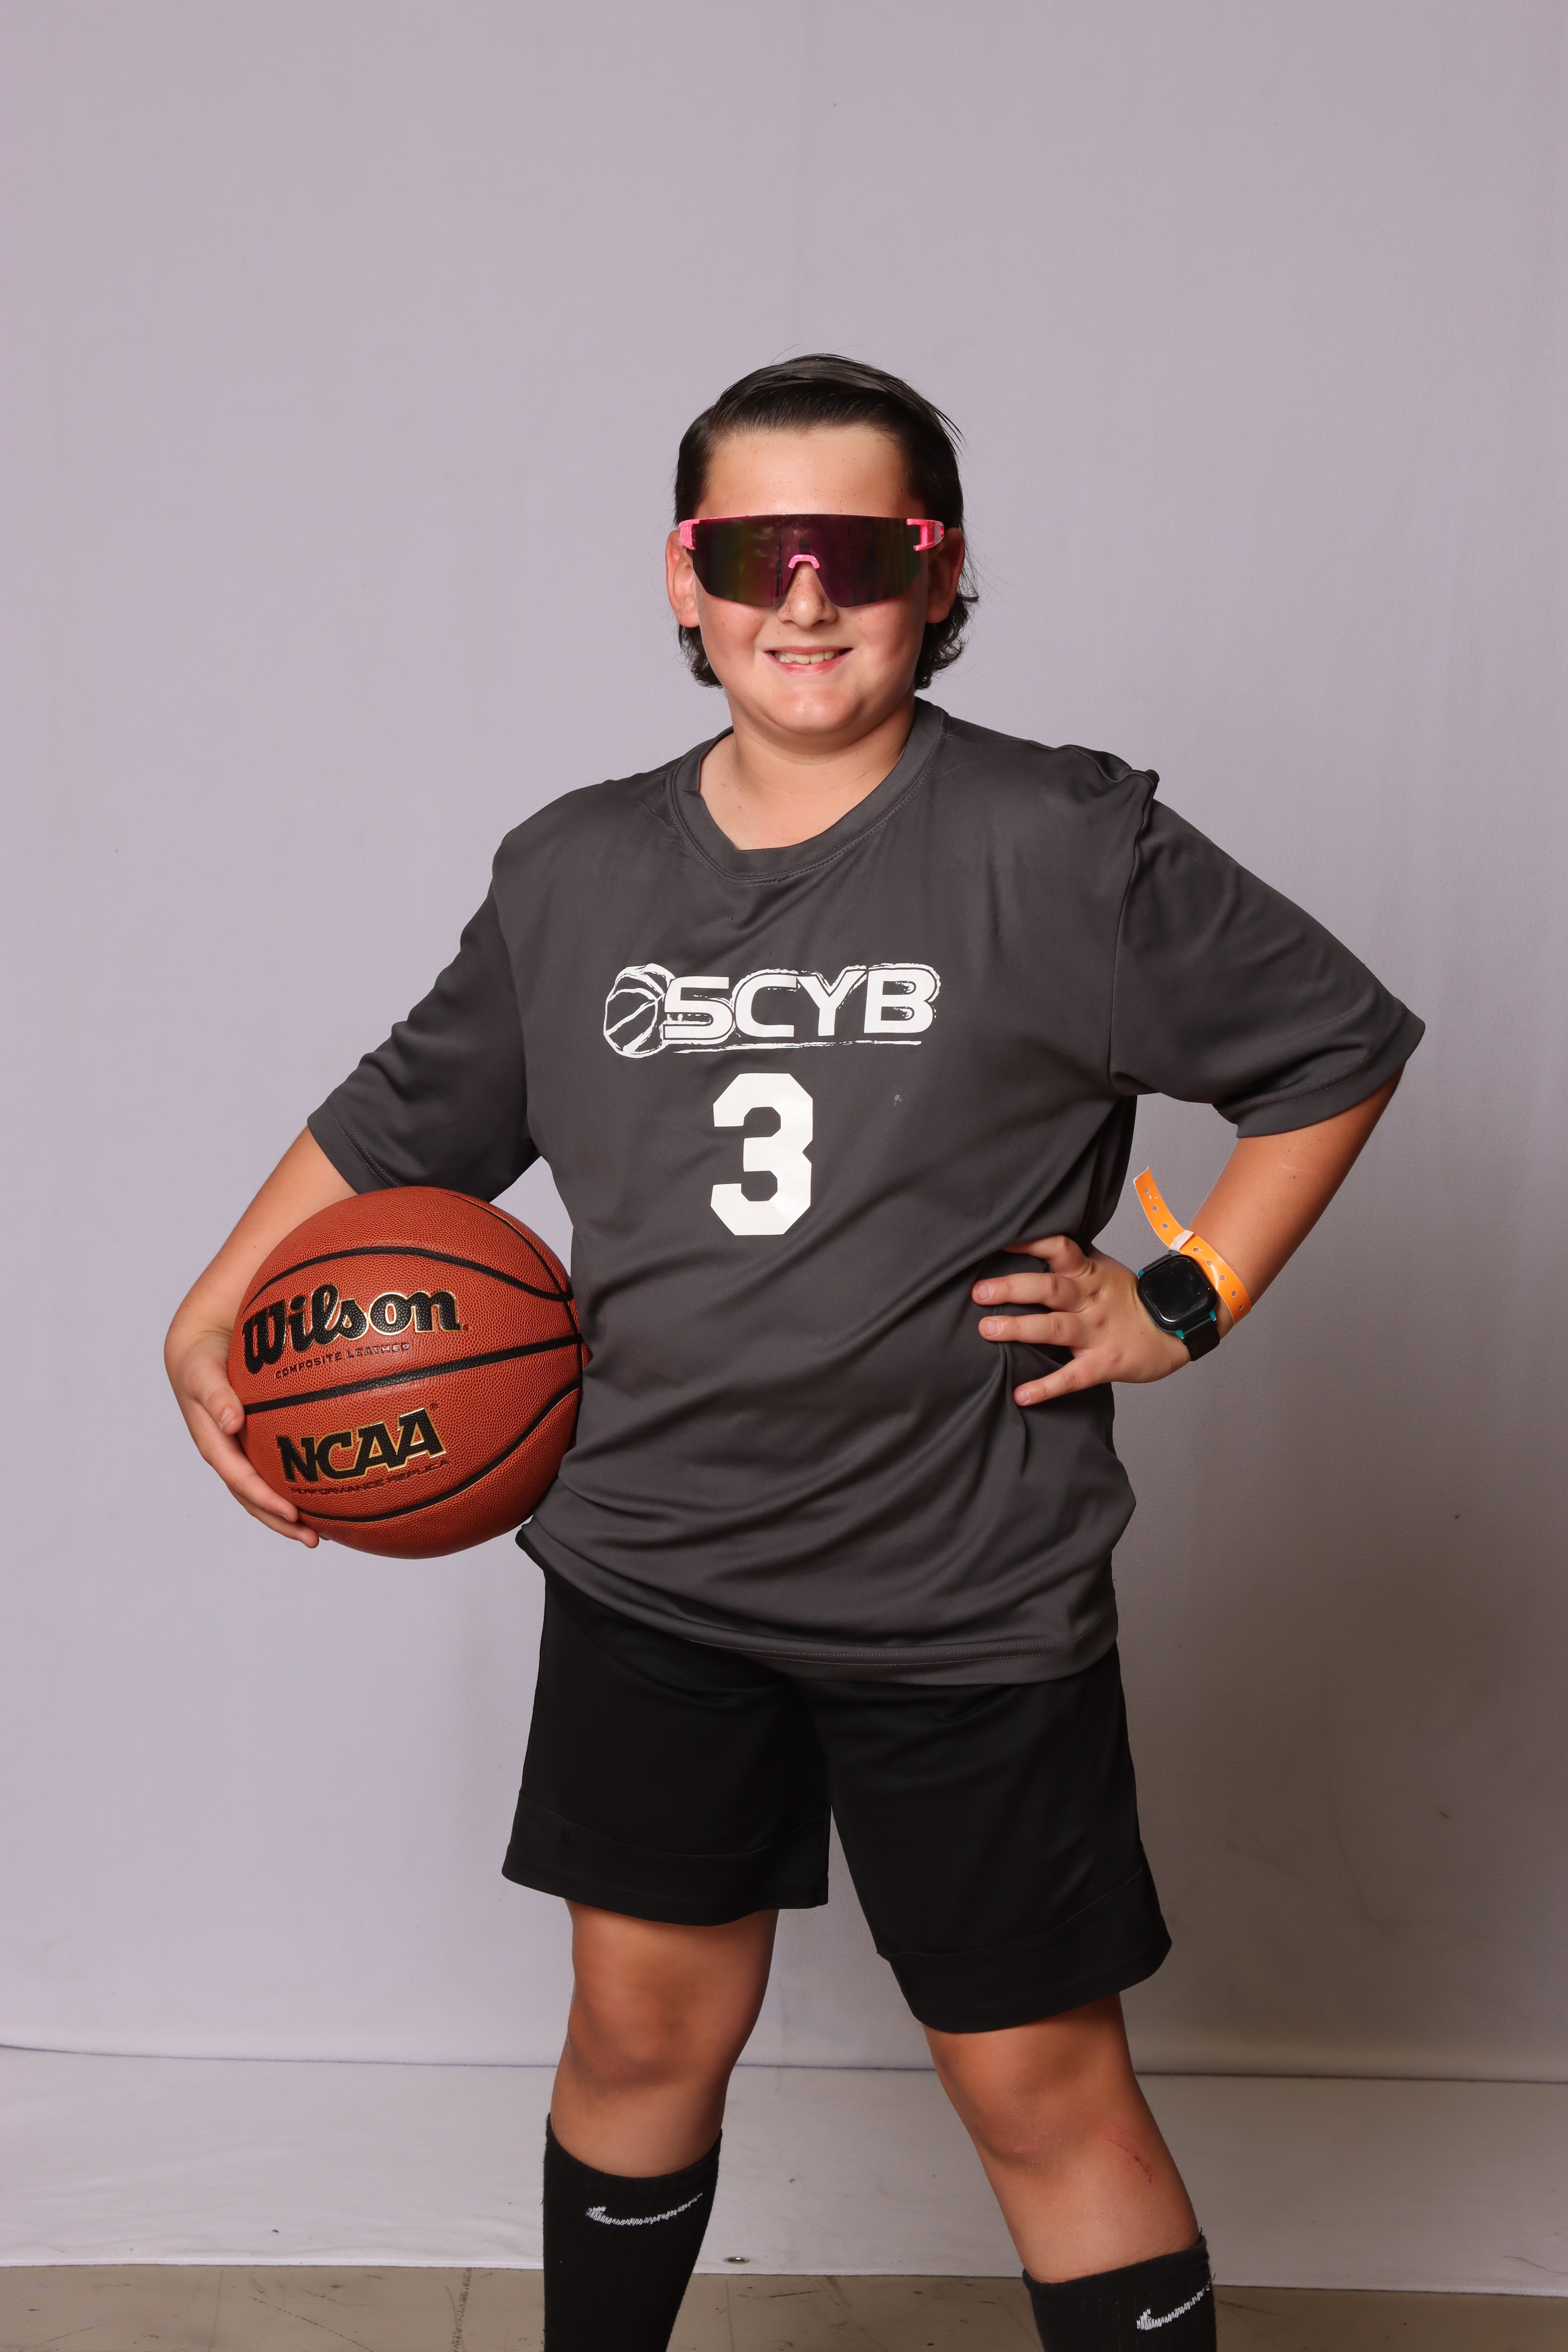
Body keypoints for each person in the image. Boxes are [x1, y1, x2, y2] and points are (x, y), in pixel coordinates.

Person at [166, 354, 1421, 2351]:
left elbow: (1332, 1049)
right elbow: (407, 1121)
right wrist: (213, 1302)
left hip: (962, 1587)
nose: (806, 598)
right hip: (654, 1572)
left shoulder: (1058, 839)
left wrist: (1182, 1298)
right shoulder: (573, 869)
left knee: (1039, 2090)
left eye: (859, 550)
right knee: (636, 2036)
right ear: (685, 579)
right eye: (756, 552)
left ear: (940, 573)